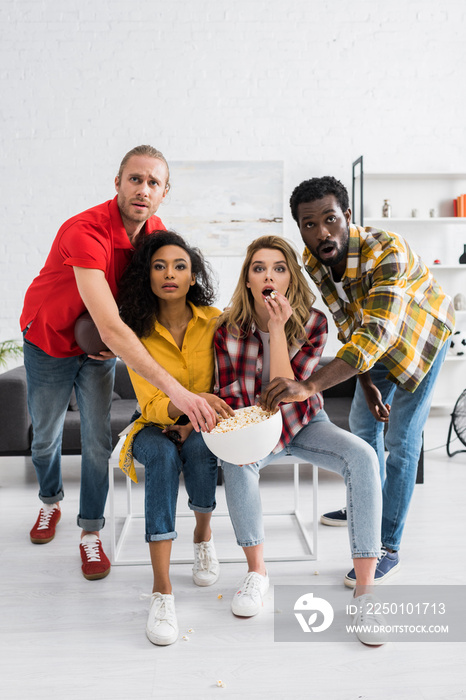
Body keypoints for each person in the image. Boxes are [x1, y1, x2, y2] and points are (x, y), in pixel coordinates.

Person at [21, 145, 217, 581]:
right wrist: (177, 390)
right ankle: (49, 501)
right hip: (49, 342)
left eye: (153, 183)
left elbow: (153, 294)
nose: (143, 189)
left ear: (165, 192)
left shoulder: (155, 234)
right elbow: (110, 326)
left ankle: (90, 533)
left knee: (95, 442)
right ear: (117, 183)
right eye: (135, 179)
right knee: (45, 438)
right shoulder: (83, 231)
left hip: (99, 352)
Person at [262, 176, 455, 587]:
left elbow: (379, 333)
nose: (322, 232)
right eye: (309, 224)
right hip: (373, 344)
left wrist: (310, 385)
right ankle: (368, 503)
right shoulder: (315, 260)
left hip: (421, 339)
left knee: (403, 443)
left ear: (347, 216)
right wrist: (365, 383)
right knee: (364, 428)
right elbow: (350, 322)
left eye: (330, 219)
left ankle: (388, 546)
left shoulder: (388, 250)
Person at [214, 235, 385, 646]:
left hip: (305, 422)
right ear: (248, 278)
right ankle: (257, 572)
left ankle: (366, 591)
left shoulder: (313, 322)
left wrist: (277, 330)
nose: (269, 275)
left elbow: (289, 391)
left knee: (362, 457)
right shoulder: (226, 328)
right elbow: (241, 401)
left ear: (290, 275)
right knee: (235, 462)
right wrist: (270, 333)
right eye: (259, 268)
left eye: (278, 267)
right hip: (254, 427)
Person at [118, 230, 233, 646]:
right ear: (146, 276)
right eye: (159, 266)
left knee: (202, 449)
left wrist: (194, 417)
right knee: (164, 458)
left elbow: (228, 382)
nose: (170, 274)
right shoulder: (136, 331)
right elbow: (149, 403)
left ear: (192, 276)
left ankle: (203, 534)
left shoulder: (215, 320)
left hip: (203, 423)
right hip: (151, 425)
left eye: (180, 266)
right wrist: (183, 410)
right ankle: (162, 589)